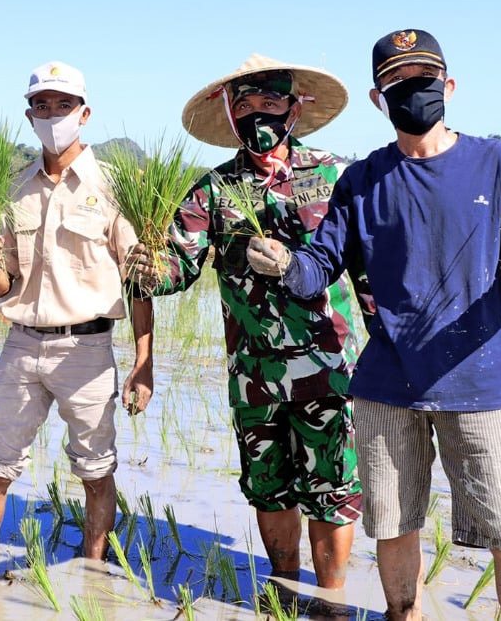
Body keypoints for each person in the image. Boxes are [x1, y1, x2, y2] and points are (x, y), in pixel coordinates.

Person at [246, 30, 501, 620]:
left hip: (478, 384)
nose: (415, 90)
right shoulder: (362, 181)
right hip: (386, 387)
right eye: (398, 82)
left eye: (425, 78)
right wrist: (285, 264)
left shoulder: (498, 163)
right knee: (393, 528)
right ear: (376, 98)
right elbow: (317, 269)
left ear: (450, 85)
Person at [145, 55, 368, 614]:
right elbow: (178, 266)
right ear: (230, 113)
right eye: (244, 105)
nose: (257, 115)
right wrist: (147, 267)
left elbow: (369, 270)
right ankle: (285, 587)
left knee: (333, 486)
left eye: (270, 103)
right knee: (267, 482)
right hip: (255, 374)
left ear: (296, 108)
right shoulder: (213, 192)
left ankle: (331, 598)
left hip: (329, 367)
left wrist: (390, 344)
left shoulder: (336, 176)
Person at [0, 61, 153, 562]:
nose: (53, 115)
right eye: (42, 106)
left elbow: (139, 283)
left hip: (87, 350)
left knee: (96, 471)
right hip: (22, 345)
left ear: (84, 112)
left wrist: (143, 361)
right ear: (29, 116)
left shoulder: (115, 187)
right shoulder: (14, 189)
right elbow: (3, 284)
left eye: (63, 105)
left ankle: (93, 570)